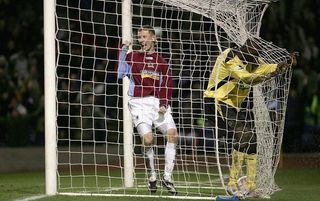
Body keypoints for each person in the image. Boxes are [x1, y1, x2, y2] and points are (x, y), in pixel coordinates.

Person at [203, 38, 296, 197]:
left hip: (232, 105)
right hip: (216, 100)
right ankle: (232, 184)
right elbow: (246, 77)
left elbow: (264, 68)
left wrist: (281, 64)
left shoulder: (251, 60)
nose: (257, 59)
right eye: (255, 55)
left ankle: (250, 186)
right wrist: (269, 73)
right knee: (244, 135)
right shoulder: (230, 56)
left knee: (252, 141)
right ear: (245, 51)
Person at [117, 25, 179, 195]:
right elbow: (120, 73)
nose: (141, 40)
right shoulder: (133, 57)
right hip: (139, 103)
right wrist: (122, 49)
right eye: (140, 37)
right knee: (148, 139)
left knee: (173, 134)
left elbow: (167, 84)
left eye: (144, 37)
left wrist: (164, 103)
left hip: (158, 103)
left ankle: (167, 177)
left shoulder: (161, 62)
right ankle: (152, 176)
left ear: (153, 39)